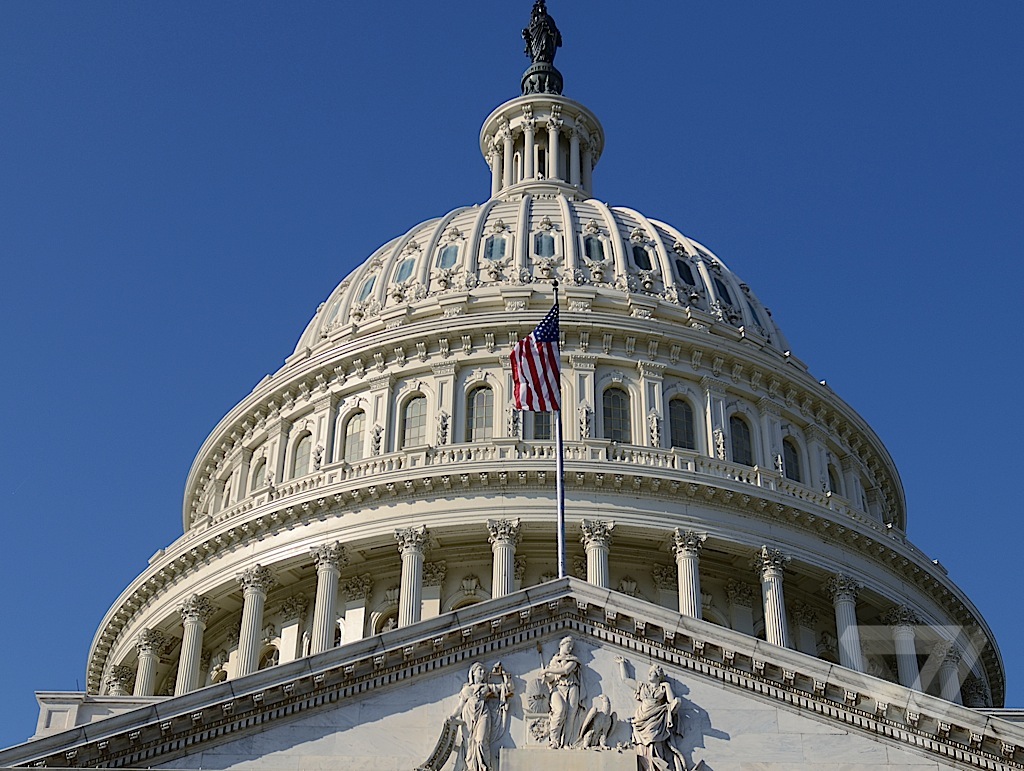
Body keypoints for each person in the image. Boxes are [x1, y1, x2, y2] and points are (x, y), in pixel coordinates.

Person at [616, 656, 687, 771]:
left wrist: (668, 686)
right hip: (641, 720)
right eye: (649, 672)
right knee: (643, 749)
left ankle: (657, 767)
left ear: (658, 676)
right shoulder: (642, 687)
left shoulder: (662, 689)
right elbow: (626, 680)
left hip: (656, 720)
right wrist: (622, 664)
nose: (649, 674)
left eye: (652, 672)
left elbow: (671, 701)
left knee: (654, 745)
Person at [449, 662, 512, 771]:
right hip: (469, 715)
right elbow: (460, 707)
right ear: (473, 673)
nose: (483, 672)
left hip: (483, 713)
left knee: (481, 741)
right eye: (480, 670)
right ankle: (472, 767)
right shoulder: (466, 690)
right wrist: (452, 717)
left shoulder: (486, 687)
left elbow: (506, 688)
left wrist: (505, 675)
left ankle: (484, 767)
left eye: (484, 671)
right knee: (469, 743)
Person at [541, 636, 582, 748]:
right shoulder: (554, 661)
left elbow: (565, 670)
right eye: (568, 646)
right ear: (561, 645)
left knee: (571, 715)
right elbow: (551, 678)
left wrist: (548, 670)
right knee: (559, 710)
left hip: (572, 687)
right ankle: (554, 740)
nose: (570, 649)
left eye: (571, 647)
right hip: (557, 688)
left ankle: (566, 742)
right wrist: (546, 677)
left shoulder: (573, 660)